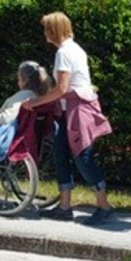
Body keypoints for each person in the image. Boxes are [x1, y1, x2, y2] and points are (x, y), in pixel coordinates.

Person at [21, 11, 114, 224]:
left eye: (46, 28)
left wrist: (35, 102)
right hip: (67, 110)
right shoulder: (73, 49)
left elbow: (62, 88)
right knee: (60, 152)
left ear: (53, 30)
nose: (44, 33)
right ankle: (64, 206)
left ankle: (104, 205)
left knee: (83, 155)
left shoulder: (64, 53)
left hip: (77, 109)